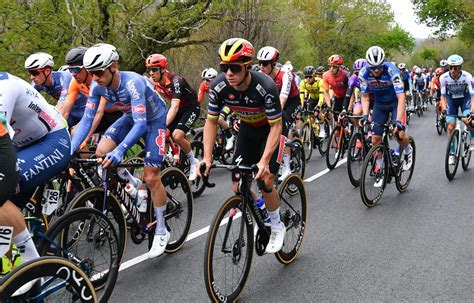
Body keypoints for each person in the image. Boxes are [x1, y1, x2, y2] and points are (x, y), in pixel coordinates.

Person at [70, 44, 170, 258]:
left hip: (153, 121)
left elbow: (142, 125)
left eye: (99, 72)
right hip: (130, 117)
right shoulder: (97, 87)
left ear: (113, 67)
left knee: (152, 177)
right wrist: (70, 150)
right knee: (101, 152)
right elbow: (87, 120)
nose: (95, 78)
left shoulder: (132, 82)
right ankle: (132, 185)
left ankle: (162, 229)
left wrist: (121, 150)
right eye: (91, 73)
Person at [201, 38, 285, 253]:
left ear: (247, 67)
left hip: (269, 131)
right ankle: (262, 211)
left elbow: (276, 127)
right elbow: (210, 122)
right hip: (247, 130)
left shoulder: (265, 86)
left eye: (235, 68)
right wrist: (207, 157)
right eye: (224, 67)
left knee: (266, 180)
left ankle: (276, 225)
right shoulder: (219, 86)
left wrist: (264, 161)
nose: (229, 73)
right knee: (239, 186)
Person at [0, 72, 71, 281]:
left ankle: (33, 268)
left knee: (1, 197)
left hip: (52, 140)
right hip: (21, 145)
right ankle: (13, 262)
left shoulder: (4, 89)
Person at [359, 46, 412, 187]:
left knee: (398, 133)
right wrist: (365, 115)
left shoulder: (391, 71)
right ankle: (381, 170)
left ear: (383, 63)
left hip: (395, 103)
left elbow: (401, 98)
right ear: (368, 65)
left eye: (379, 67)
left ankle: (407, 150)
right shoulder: (363, 73)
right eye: (373, 67)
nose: (376, 70)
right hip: (380, 105)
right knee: (375, 139)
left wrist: (398, 121)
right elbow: (364, 97)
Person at [146, 54, 200, 180]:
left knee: (177, 135)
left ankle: (193, 161)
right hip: (177, 107)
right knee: (163, 133)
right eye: (149, 69)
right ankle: (168, 157)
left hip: (190, 108)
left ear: (163, 69)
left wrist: (163, 123)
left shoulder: (176, 81)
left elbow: (175, 106)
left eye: (154, 69)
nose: (151, 73)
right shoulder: (153, 81)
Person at [257, 46, 300, 180]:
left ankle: (287, 167)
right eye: (259, 63)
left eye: (264, 64)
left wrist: (274, 114)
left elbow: (283, 97)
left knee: (283, 131)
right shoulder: (261, 75)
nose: (261, 67)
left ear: (273, 63)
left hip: (291, 101)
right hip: (275, 103)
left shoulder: (285, 74)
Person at [63, 47, 122, 137]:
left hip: (119, 114)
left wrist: (85, 138)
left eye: (76, 69)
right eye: (70, 70)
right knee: (75, 132)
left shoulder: (100, 81)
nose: (73, 74)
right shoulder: (75, 82)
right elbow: (65, 111)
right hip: (104, 115)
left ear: (87, 68)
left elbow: (99, 112)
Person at [24, 52, 79, 126]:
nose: (32, 77)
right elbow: (26, 101)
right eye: (29, 73)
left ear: (47, 71)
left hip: (83, 112)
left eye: (34, 73)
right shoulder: (36, 83)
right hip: (71, 115)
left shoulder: (64, 77)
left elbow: (61, 107)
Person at [439, 54, 474, 165]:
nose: (453, 70)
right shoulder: (443, 77)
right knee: (450, 126)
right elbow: (443, 97)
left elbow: (473, 96)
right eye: (451, 67)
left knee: (469, 121)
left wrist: (472, 112)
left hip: (465, 99)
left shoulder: (468, 76)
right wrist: (443, 110)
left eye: (456, 67)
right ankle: (452, 154)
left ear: (460, 68)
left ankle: (471, 140)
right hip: (451, 100)